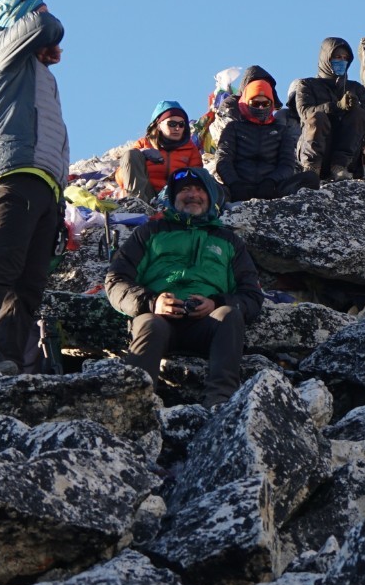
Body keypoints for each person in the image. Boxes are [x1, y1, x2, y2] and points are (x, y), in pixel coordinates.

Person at [0, 0, 69, 371]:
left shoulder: (41, 75)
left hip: (45, 183)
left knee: (30, 282)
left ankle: (6, 357)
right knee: (0, 265)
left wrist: (61, 190)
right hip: (12, 174)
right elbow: (44, 24)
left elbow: (58, 137)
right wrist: (46, 25)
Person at [104, 167, 263, 406]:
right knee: (149, 324)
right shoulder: (149, 232)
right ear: (172, 197)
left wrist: (216, 303)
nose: (192, 194)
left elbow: (251, 295)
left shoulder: (229, 241)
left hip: (209, 322)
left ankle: (221, 401)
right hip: (160, 319)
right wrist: (151, 302)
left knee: (229, 315)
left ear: (210, 197)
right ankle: (134, 405)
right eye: (185, 189)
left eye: (199, 189)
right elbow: (116, 280)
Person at [289, 37, 365, 183]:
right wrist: (336, 107)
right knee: (318, 117)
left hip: (346, 157)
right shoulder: (307, 85)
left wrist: (356, 108)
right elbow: (305, 112)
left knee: (358, 114)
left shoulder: (356, 88)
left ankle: (339, 167)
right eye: (337, 57)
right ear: (326, 58)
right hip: (316, 148)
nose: (341, 61)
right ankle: (311, 168)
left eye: (345, 58)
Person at [215, 75, 308, 201]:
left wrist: (271, 181)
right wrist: (234, 183)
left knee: (309, 178)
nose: (260, 107)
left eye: (265, 103)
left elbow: (287, 163)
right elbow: (223, 160)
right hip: (237, 188)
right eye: (255, 103)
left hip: (272, 188)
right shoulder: (233, 128)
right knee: (208, 185)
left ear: (271, 104)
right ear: (246, 103)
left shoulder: (281, 130)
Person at [114, 100, 203, 200]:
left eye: (181, 124)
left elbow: (198, 177)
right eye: (172, 124)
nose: (177, 128)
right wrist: (142, 155)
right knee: (131, 154)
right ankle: (137, 203)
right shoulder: (143, 144)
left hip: (174, 197)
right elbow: (121, 177)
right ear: (159, 125)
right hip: (147, 194)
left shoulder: (190, 149)